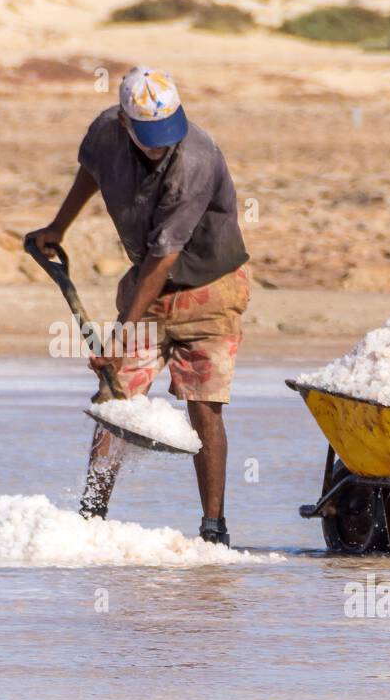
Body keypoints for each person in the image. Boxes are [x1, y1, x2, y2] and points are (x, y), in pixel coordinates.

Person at [25, 67, 250, 546]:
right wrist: (58, 226)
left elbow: (163, 256)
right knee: (114, 398)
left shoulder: (196, 159)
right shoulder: (107, 130)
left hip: (211, 291)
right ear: (127, 123)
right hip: (146, 290)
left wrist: (120, 335)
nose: (159, 146)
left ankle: (214, 529)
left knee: (203, 405)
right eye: (148, 138)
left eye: (165, 135)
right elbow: (92, 168)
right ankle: (90, 517)